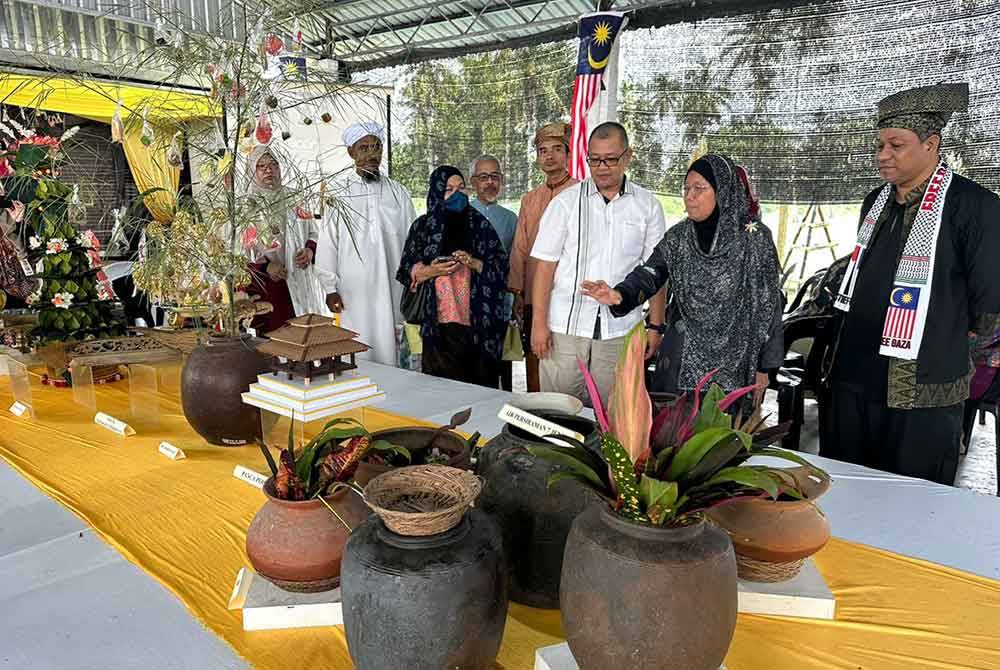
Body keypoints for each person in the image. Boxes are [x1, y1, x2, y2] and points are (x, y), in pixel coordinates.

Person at [819, 82, 1000, 485]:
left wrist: (957, 356)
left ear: (931, 144)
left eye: (896, 145)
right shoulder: (876, 202)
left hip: (922, 391)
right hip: (855, 377)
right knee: (846, 489)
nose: (882, 156)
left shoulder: (974, 208)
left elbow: (989, 306)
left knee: (910, 501)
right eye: (880, 145)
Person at [581, 153, 783, 408]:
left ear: (722, 191)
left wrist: (765, 366)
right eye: (686, 188)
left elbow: (768, 305)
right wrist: (620, 295)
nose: (689, 196)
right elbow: (651, 272)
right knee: (673, 438)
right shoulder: (679, 237)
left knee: (718, 441)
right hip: (681, 358)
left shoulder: (753, 239)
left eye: (699, 188)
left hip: (734, 361)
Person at [529, 122, 666, 407]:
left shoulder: (647, 205)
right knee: (558, 411)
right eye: (594, 159)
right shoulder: (565, 204)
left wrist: (656, 325)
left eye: (611, 159)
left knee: (613, 415)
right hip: (564, 328)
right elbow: (544, 268)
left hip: (620, 330)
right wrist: (538, 324)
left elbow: (657, 270)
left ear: (628, 157)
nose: (602, 167)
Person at [396, 166, 509, 387]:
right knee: (441, 391)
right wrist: (432, 271)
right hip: (437, 326)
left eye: (460, 188)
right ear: (436, 192)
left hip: (478, 326)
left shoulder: (480, 225)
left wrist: (474, 262)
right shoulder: (422, 227)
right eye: (448, 189)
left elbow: (501, 265)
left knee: (480, 390)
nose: (456, 195)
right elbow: (406, 269)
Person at [315, 122, 416, 366]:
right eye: (364, 148)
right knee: (357, 353)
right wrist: (330, 288)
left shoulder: (398, 193)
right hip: (353, 293)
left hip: (394, 288)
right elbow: (328, 242)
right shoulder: (338, 193)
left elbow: (414, 241)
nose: (372, 154)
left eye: (377, 147)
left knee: (394, 350)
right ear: (351, 152)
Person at [508, 122, 578, 392]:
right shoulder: (530, 199)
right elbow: (520, 248)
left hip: (566, 294)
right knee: (535, 359)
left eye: (556, 149)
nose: (549, 156)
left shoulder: (581, 193)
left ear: (568, 153)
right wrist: (518, 292)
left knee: (566, 362)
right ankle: (538, 417)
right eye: (542, 150)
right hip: (533, 293)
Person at [244, 145, 326, 332]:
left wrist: (310, 250)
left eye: (273, 164)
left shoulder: (295, 197)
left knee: (304, 332)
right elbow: (241, 248)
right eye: (261, 166)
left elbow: (313, 231)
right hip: (267, 282)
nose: (268, 170)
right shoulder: (248, 206)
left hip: (299, 275)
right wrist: (266, 266)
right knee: (276, 337)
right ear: (251, 172)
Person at [470, 154, 517, 390]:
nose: (490, 182)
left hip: (500, 304)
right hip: (467, 307)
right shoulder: (460, 215)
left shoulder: (511, 219)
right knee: (474, 371)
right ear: (473, 182)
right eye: (484, 177)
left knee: (502, 367)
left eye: (495, 177)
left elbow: (515, 264)